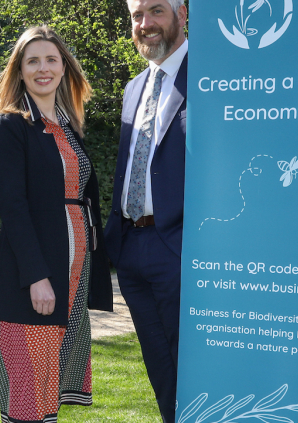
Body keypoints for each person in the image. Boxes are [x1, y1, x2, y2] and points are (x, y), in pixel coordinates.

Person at [0, 25, 112, 423]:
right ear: (19, 70)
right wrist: (37, 276)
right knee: (28, 396)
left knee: (50, 397)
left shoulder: (70, 127)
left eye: (51, 60)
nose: (43, 68)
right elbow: (14, 207)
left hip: (73, 274)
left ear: (63, 68)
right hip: (34, 278)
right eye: (32, 61)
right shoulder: (9, 125)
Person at [103, 0, 188, 421]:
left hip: (181, 248)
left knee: (191, 368)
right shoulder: (133, 88)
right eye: (137, 15)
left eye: (156, 11)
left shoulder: (213, 80)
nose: (145, 23)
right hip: (132, 249)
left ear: (183, 13)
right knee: (160, 369)